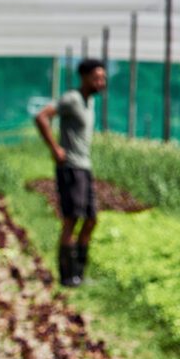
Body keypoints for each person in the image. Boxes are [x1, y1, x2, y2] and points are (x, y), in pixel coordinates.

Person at [34, 58, 108, 287]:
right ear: (84, 77)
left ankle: (80, 272)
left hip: (84, 166)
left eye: (103, 78)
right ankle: (68, 276)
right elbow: (42, 116)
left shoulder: (89, 102)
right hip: (71, 167)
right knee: (71, 219)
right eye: (97, 78)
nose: (101, 82)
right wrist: (55, 148)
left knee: (91, 219)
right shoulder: (72, 99)